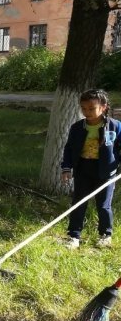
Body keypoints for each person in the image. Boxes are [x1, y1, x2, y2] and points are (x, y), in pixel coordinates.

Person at [61, 89, 121, 249]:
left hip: (106, 172)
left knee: (103, 205)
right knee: (78, 203)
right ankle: (74, 236)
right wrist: (66, 168)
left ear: (103, 107)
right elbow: (69, 149)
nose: (86, 112)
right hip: (83, 170)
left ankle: (105, 234)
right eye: (83, 108)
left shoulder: (115, 127)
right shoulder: (77, 127)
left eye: (91, 108)